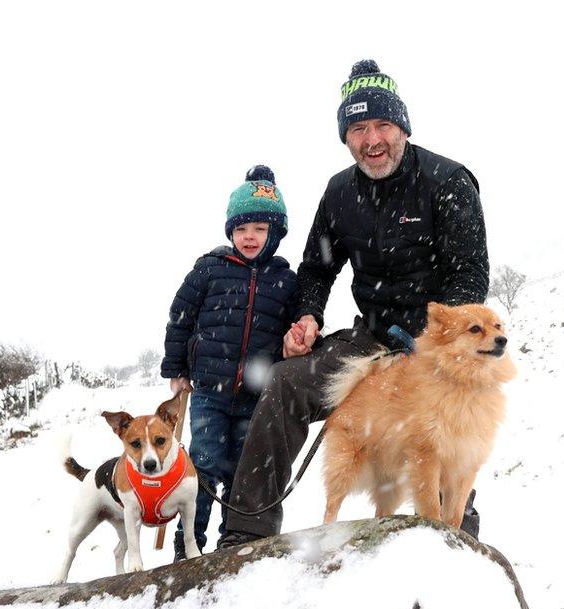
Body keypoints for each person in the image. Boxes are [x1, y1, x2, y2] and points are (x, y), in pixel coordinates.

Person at [217, 60, 489, 549]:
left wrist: (430, 349)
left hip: (439, 350)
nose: (372, 140)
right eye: (358, 128)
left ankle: (458, 536)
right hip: (370, 339)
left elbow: (470, 280)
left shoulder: (447, 182)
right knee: (283, 383)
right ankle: (244, 536)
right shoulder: (340, 192)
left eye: (382, 124)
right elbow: (318, 269)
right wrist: (307, 316)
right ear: (346, 136)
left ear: (402, 126)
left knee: (436, 424)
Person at [160, 165, 298, 559]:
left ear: (275, 233)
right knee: (203, 465)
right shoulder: (210, 269)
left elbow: (294, 329)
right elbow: (180, 315)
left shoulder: (285, 281)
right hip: (209, 391)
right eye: (241, 229)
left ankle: (232, 541)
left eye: (259, 228)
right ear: (230, 232)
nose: (249, 237)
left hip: (257, 395)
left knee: (244, 469)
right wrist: (176, 369)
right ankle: (189, 544)